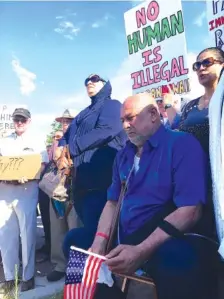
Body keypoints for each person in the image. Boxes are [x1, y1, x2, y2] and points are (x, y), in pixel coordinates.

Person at [87, 93, 218, 299]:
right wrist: (99, 242)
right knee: (75, 242)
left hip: (165, 238)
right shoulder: (123, 155)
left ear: (154, 115)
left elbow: (190, 210)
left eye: (131, 118)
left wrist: (141, 250)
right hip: (126, 239)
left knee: (176, 259)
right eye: (122, 120)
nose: (125, 126)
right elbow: (112, 202)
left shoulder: (181, 144)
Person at [60, 74, 127, 255]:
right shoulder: (83, 113)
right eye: (86, 81)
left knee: (100, 239)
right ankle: (90, 280)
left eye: (95, 79)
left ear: (105, 83)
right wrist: (60, 150)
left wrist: (71, 149)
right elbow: (65, 138)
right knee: (89, 237)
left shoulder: (112, 105)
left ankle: (105, 280)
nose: (89, 82)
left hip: (103, 186)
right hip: (82, 187)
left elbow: (107, 130)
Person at [162, 47, 224, 238]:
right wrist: (168, 106)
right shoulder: (190, 105)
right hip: (194, 181)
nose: (201, 68)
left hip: (218, 178)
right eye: (197, 65)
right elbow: (177, 131)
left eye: (207, 62)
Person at [0, 108, 49, 293]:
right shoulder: (4, 140)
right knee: (5, 235)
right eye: (17, 119)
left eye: (23, 119)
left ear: (29, 121)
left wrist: (27, 174)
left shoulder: (37, 141)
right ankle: (10, 276)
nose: (19, 122)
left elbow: (42, 165)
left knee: (27, 233)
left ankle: (28, 276)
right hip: (4, 190)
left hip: (27, 190)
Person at [46, 110, 80, 282]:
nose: (65, 123)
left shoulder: (80, 137)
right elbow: (52, 160)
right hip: (57, 189)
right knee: (57, 228)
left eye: (68, 120)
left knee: (74, 228)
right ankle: (60, 265)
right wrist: (57, 144)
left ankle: (75, 266)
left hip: (74, 190)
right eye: (63, 121)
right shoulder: (57, 140)